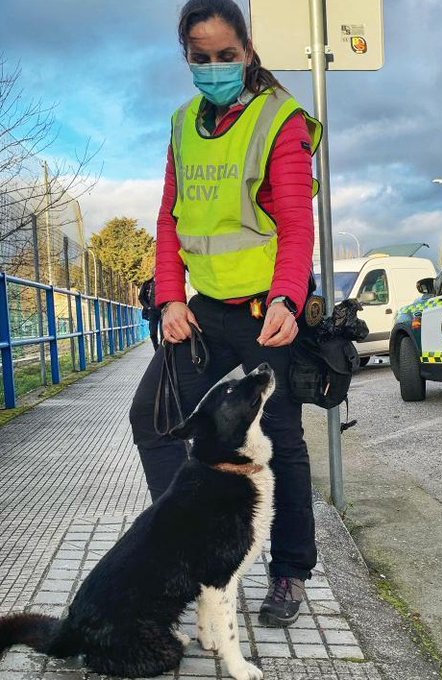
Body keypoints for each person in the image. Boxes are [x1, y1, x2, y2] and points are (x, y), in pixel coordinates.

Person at [129, 0, 322, 628]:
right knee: (155, 418)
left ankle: (289, 572)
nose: (213, 67)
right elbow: (169, 220)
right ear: (186, 56)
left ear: (247, 51)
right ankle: (189, 545)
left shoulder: (281, 120)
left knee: (284, 442)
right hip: (203, 311)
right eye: (200, 57)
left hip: (266, 310)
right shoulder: (183, 123)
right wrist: (170, 298)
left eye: (225, 55)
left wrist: (290, 298)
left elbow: (296, 226)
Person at [138, 275, 161, 350]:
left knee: (164, 333)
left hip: (163, 311)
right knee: (152, 333)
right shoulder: (147, 283)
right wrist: (148, 307)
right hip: (152, 311)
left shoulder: (163, 282)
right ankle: (156, 348)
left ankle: (163, 351)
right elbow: (141, 297)